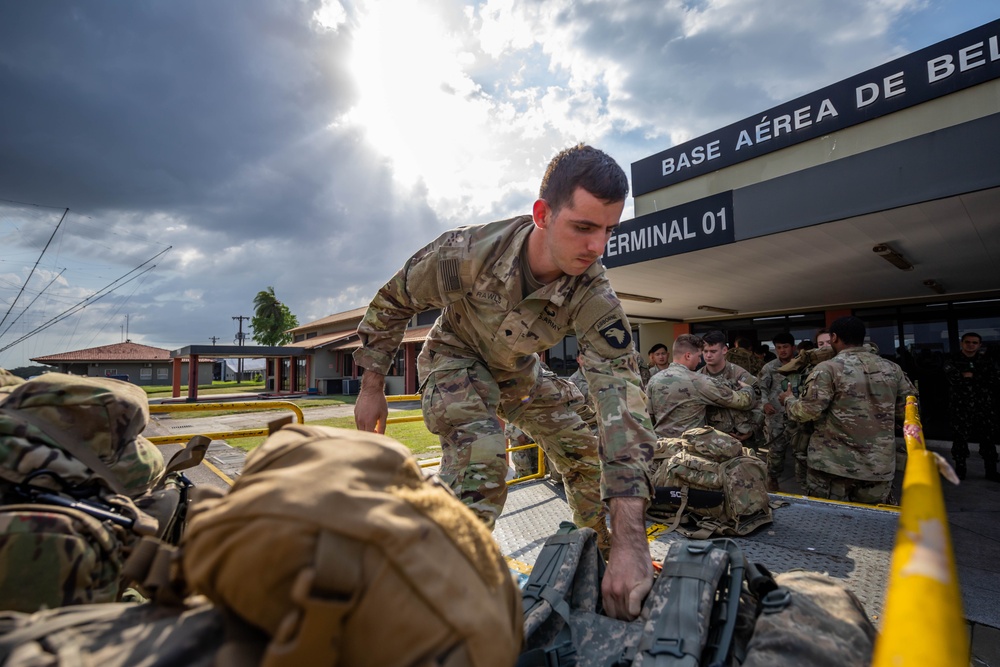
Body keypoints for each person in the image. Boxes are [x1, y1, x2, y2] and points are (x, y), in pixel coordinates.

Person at [353, 144, 654, 620]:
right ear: (542, 214)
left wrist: (630, 544)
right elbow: (393, 301)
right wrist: (372, 388)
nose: (597, 247)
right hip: (455, 358)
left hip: (518, 373)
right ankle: (424, 599)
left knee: (586, 451)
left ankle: (603, 570)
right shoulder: (468, 254)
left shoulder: (594, 294)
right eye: (583, 227)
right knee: (483, 459)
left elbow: (623, 402)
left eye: (608, 231)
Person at [779, 316, 917, 504]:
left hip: (833, 468)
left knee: (829, 524)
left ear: (834, 338)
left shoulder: (828, 369)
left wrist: (788, 400)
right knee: (873, 524)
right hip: (877, 468)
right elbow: (908, 413)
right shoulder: (893, 369)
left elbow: (806, 412)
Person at [647, 334, 755, 438]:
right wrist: (747, 388)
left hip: (663, 447)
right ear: (688, 355)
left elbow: (649, 416)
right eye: (699, 356)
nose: (700, 361)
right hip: (689, 449)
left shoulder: (653, 380)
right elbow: (741, 401)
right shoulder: (699, 381)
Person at [943, 332, 999, 480]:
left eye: (975, 343)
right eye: (968, 342)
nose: (971, 345)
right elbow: (953, 379)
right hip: (961, 407)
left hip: (984, 407)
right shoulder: (952, 360)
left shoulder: (987, 361)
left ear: (979, 345)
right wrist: (978, 377)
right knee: (960, 441)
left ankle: (991, 472)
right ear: (962, 343)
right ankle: (960, 471)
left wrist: (971, 376)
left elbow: (994, 379)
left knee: (988, 441)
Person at [698, 330, 762, 445]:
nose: (708, 355)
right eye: (705, 351)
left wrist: (752, 430)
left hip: (742, 438)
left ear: (724, 350)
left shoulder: (740, 375)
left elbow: (760, 402)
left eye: (713, 351)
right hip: (711, 440)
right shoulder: (698, 378)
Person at [758, 332, 798, 491]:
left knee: (800, 451)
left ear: (793, 347)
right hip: (776, 416)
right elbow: (761, 389)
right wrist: (765, 404)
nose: (782, 351)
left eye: (786, 347)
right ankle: (772, 479)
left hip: (798, 416)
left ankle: (803, 482)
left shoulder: (800, 365)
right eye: (779, 347)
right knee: (775, 452)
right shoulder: (770, 367)